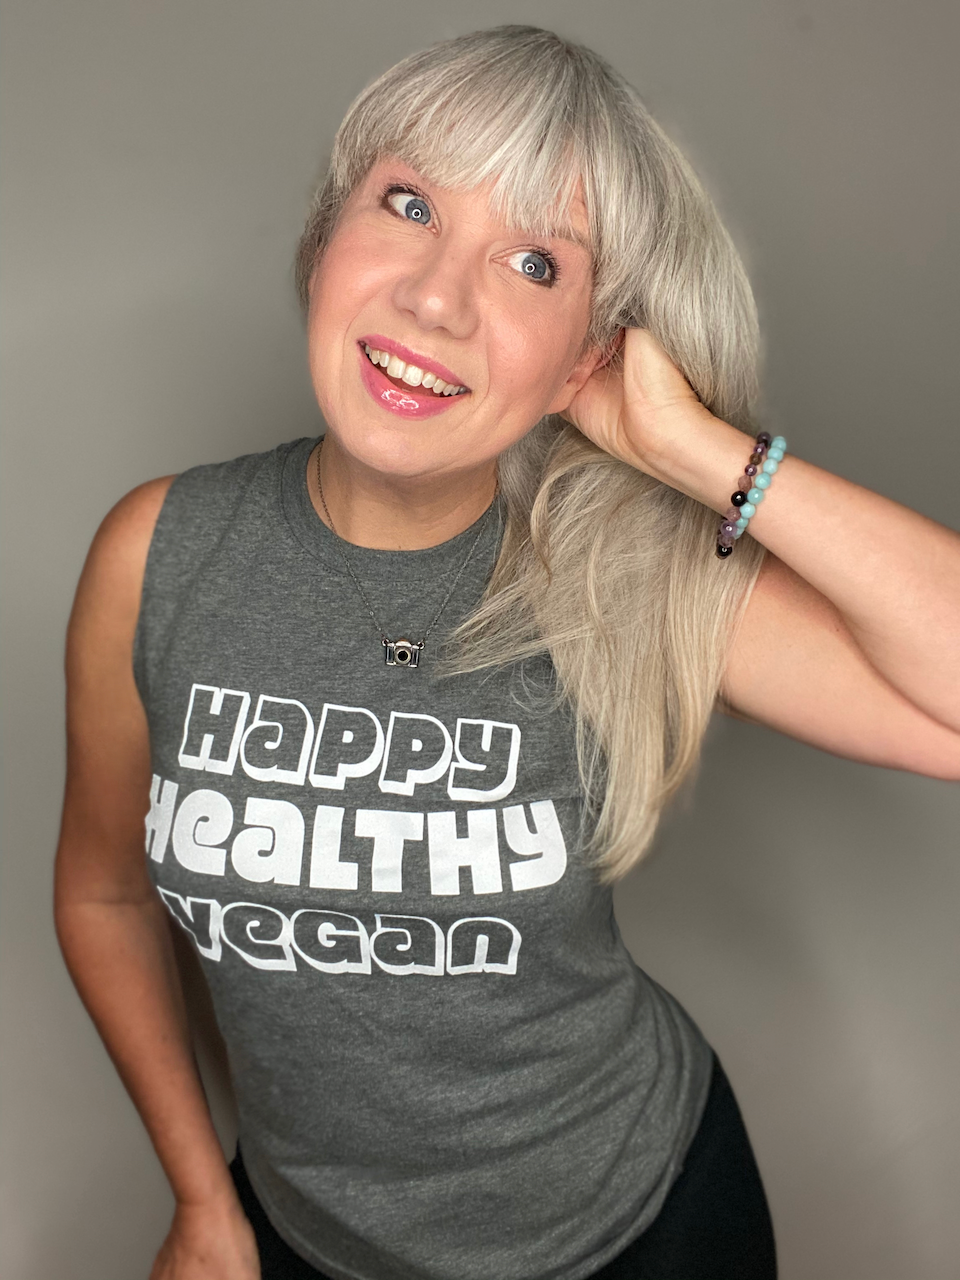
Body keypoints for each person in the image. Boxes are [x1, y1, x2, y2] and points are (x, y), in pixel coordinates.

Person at [54, 24, 960, 1280]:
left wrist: (695, 450)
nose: (437, 296)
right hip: (307, 1238)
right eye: (408, 203)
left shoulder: (618, 578)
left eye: (536, 261)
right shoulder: (159, 554)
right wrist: (204, 1196)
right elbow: (104, 895)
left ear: (590, 353)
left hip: (640, 1235)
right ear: (326, 235)